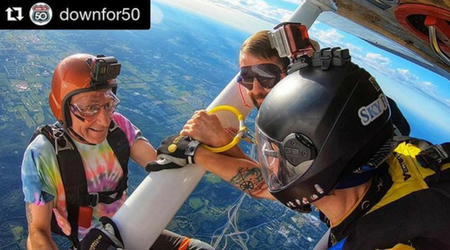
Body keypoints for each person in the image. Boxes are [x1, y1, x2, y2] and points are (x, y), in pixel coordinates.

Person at [153, 48, 450, 249]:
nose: (269, 164)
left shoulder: (372, 239)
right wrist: (199, 152)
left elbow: (272, 184)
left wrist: (197, 151)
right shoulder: (389, 162)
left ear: (321, 162)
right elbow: (267, 184)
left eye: (276, 153)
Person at [149, 30, 409, 199]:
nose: (256, 89)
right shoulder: (339, 97)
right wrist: (220, 145)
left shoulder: (318, 120)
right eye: (246, 77)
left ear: (295, 71)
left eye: (265, 75)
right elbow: (279, 180)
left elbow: (282, 190)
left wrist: (198, 152)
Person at [21, 53, 214, 249]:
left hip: (130, 224)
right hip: (92, 242)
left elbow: (156, 163)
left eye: (108, 104)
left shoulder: (118, 126)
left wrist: (189, 149)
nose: (104, 120)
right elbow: (38, 231)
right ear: (62, 108)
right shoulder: (43, 152)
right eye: (90, 108)